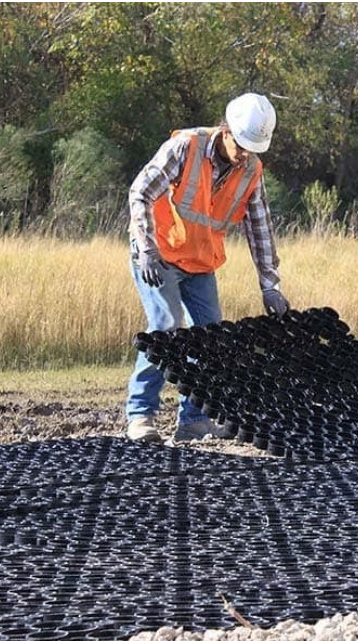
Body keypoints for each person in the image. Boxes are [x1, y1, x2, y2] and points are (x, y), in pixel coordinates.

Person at [125, 92, 290, 444]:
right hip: (161, 256)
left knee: (210, 339)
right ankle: (141, 416)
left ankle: (194, 421)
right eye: (241, 145)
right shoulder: (185, 148)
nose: (245, 154)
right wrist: (146, 248)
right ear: (226, 130)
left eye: (253, 149)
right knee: (166, 328)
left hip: (200, 262)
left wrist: (270, 285)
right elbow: (140, 192)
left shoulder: (251, 172)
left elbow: (259, 228)